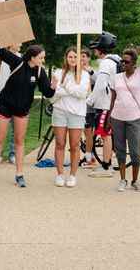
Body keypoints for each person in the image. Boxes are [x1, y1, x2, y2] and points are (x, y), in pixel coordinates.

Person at [0, 40, 56, 187]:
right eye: (41, 57)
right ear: (32, 57)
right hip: (5, 105)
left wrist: (54, 85)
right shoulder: (17, 62)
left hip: (22, 110)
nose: (43, 60)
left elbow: (48, 92)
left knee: (19, 141)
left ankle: (19, 174)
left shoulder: (39, 71)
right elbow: (0, 49)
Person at [108, 27, 140, 193]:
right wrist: (109, 117)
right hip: (117, 118)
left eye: (127, 61)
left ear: (134, 63)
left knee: (136, 152)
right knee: (121, 151)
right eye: (122, 61)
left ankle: (135, 180)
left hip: (134, 118)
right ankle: (122, 179)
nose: (123, 64)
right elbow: (113, 98)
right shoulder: (116, 78)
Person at [50, 47, 90, 187]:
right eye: (70, 57)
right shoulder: (58, 73)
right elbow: (52, 96)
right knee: (60, 143)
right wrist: (65, 90)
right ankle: (60, 174)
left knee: (74, 145)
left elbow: (82, 94)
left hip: (77, 113)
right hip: (60, 111)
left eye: (75, 57)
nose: (73, 59)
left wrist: (65, 88)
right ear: (66, 58)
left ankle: (72, 175)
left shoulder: (84, 75)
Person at [86, 31, 121, 178]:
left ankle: (106, 166)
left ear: (100, 48)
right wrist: (91, 72)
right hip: (113, 104)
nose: (94, 51)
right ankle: (109, 163)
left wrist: (89, 101)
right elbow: (102, 79)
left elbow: (100, 85)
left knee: (105, 135)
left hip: (105, 105)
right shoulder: (115, 60)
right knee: (108, 135)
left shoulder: (106, 63)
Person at [0, 43, 21, 165]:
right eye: (19, 41)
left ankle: (13, 154)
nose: (21, 44)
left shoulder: (22, 58)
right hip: (2, 99)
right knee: (0, 129)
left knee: (15, 129)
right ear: (11, 43)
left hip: (17, 99)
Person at [81, 49, 98, 169]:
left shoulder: (91, 71)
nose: (82, 59)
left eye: (84, 56)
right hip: (77, 106)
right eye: (80, 56)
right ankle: (87, 154)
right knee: (80, 132)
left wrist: (90, 71)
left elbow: (98, 80)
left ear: (88, 58)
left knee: (88, 133)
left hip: (89, 108)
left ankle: (89, 157)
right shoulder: (77, 70)